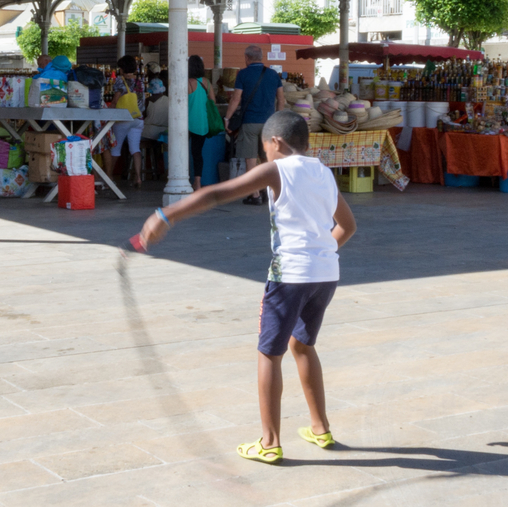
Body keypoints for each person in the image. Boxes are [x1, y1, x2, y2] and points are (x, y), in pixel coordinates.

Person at [139, 111, 356, 464]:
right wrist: (320, 253)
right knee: (303, 346)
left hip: (290, 276)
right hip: (325, 273)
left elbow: (216, 194)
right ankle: (320, 428)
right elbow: (347, 226)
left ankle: (269, 442)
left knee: (270, 353)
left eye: (265, 148)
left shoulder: (277, 169)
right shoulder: (324, 172)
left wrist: (166, 215)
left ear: (276, 143)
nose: (265, 155)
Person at [224, 45, 284, 205]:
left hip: (249, 123)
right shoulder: (273, 74)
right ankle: (269, 191)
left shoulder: (243, 74)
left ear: (247, 58)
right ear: (262, 57)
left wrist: (227, 118)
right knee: (266, 158)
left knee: (250, 159)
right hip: (269, 123)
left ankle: (255, 194)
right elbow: (281, 99)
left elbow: (236, 99)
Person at [111, 55, 145, 187]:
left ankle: (108, 176)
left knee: (115, 148)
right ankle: (138, 178)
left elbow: (115, 99)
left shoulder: (120, 81)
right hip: (138, 118)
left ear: (122, 68)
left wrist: (109, 111)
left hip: (124, 118)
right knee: (135, 149)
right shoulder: (140, 81)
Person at [188, 55, 217, 191]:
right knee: (197, 153)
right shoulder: (206, 82)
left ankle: (183, 178)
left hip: (187, 123)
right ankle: (197, 183)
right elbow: (213, 101)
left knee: (183, 152)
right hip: (202, 123)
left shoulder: (187, 82)